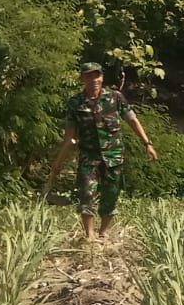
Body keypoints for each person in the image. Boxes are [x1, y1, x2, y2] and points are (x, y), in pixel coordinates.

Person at [46, 62, 157, 241]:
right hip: (88, 157)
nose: (94, 80)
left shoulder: (115, 97)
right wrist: (59, 162)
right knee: (86, 193)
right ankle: (90, 236)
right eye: (89, 76)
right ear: (82, 79)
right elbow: (69, 137)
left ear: (102, 77)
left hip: (114, 156)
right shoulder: (75, 103)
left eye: (97, 75)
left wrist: (147, 144)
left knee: (111, 195)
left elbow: (133, 121)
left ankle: (103, 233)